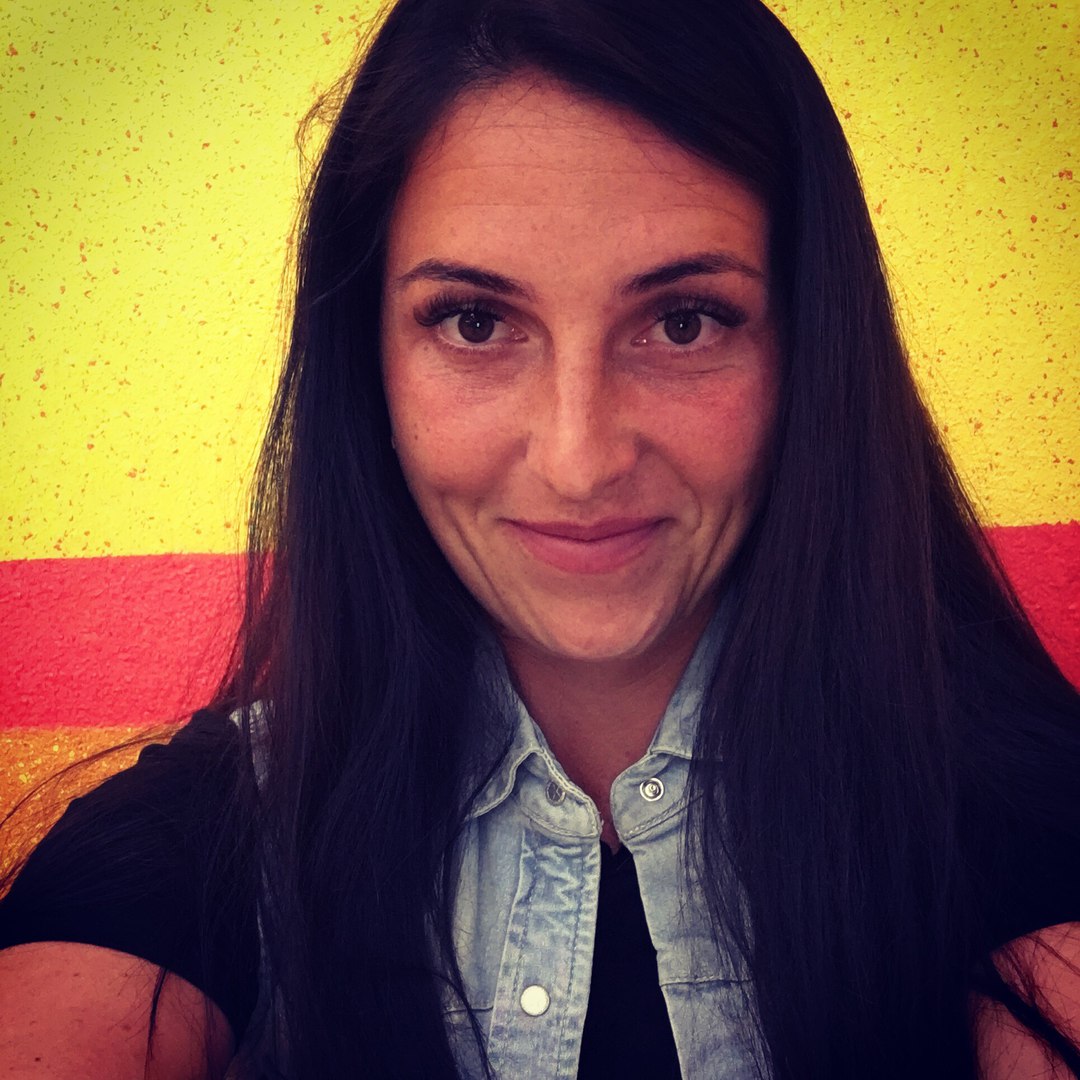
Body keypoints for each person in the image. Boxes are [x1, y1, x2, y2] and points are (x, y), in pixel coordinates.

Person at [1, 0, 1078, 1076]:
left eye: (684, 321)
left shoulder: (1024, 812)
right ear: (368, 366)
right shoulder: (199, 841)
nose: (579, 460)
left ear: (809, 350)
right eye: (475, 322)